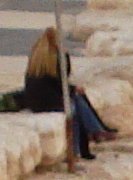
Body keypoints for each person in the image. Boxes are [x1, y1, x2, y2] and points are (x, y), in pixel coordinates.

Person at [19, 26, 111, 165]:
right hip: (50, 102)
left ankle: (95, 133)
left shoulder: (36, 57)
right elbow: (60, 82)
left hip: (34, 101)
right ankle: (85, 142)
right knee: (75, 108)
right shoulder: (59, 57)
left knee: (78, 100)